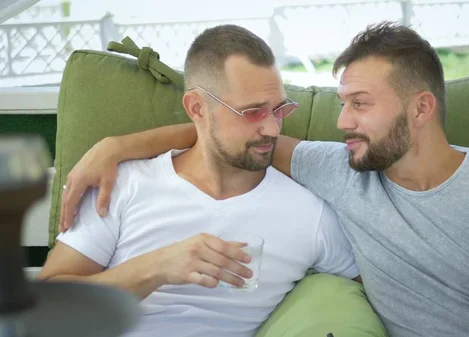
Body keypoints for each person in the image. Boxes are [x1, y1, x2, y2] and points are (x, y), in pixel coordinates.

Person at [58, 22, 469, 337]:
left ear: (420, 109)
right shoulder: (337, 172)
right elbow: (232, 138)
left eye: (359, 104)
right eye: (341, 103)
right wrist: (120, 148)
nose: (341, 122)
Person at [39, 25, 361, 337]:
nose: (273, 129)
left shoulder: (309, 213)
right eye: (252, 113)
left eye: (279, 109)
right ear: (197, 107)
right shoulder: (122, 185)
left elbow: (375, 288)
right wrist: (156, 267)